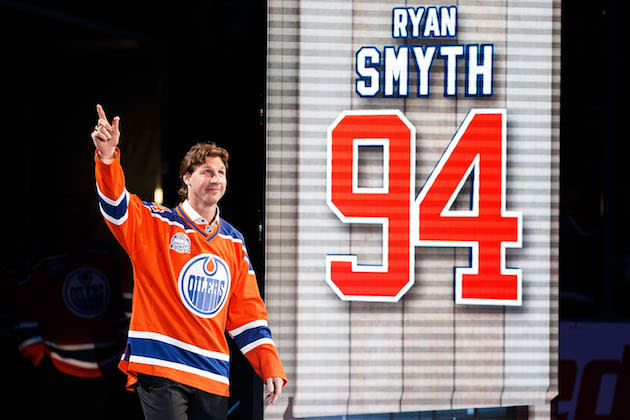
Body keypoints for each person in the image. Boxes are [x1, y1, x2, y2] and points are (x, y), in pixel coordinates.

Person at [90, 104, 286, 420]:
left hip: (211, 373)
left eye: (221, 172)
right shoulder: (156, 223)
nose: (216, 178)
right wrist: (108, 158)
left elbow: (247, 312)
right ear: (187, 177)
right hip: (162, 364)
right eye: (207, 171)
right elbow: (116, 205)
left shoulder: (233, 242)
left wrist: (269, 364)